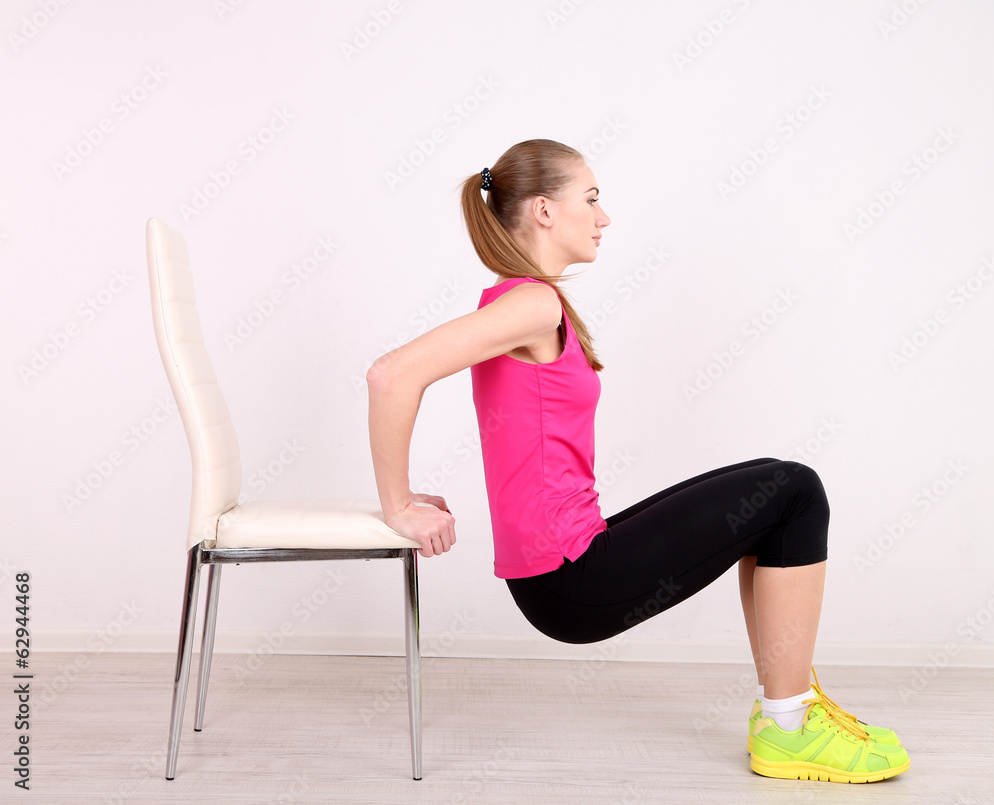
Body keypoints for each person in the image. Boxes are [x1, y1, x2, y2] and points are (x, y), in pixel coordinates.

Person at [366, 138, 909, 783]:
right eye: (590, 199)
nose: (604, 216)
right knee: (794, 490)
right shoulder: (532, 304)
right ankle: (789, 726)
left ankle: (789, 717)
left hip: (569, 565)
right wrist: (397, 506)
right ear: (543, 211)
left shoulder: (520, 302)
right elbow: (391, 375)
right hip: (571, 579)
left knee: (775, 499)